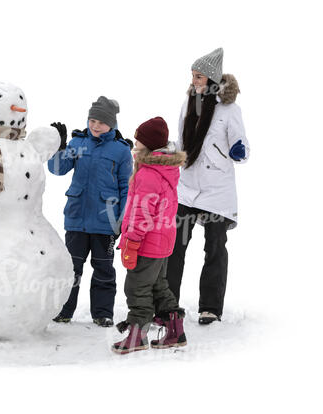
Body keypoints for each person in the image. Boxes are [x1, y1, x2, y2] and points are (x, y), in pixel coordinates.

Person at [166, 48, 250, 325]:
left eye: (199, 76)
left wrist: (239, 149)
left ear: (212, 79)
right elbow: (180, 142)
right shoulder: (187, 105)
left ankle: (210, 307)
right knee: (175, 245)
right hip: (187, 185)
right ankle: (167, 303)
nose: (194, 80)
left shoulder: (229, 109)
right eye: (192, 75)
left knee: (214, 246)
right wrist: (167, 151)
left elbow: (243, 146)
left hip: (217, 189)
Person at [48, 97, 133, 327]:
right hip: (76, 219)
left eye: (101, 122)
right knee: (71, 270)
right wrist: (60, 146)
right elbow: (57, 169)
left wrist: (123, 220)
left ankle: (102, 312)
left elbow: (127, 187)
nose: (95, 126)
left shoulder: (121, 150)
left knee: (103, 269)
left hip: (106, 222)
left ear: (112, 124)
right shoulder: (78, 143)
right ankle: (64, 310)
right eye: (92, 120)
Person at [111, 117, 187, 354]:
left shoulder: (148, 174)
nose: (135, 144)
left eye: (139, 140)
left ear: (150, 145)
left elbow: (141, 213)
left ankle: (137, 335)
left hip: (145, 242)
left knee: (137, 287)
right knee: (157, 285)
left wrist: (132, 240)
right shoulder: (164, 170)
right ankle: (175, 330)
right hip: (161, 241)